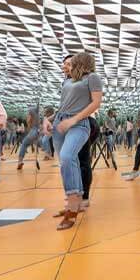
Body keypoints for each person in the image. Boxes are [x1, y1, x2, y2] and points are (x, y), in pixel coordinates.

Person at [52, 52, 103, 230]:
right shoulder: (67, 80)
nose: (66, 65)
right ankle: (73, 203)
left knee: (68, 157)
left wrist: (73, 120)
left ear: (80, 62)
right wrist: (50, 119)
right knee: (66, 164)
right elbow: (63, 105)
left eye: (70, 62)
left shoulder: (92, 78)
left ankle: (73, 207)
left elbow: (96, 103)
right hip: (60, 122)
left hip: (79, 124)